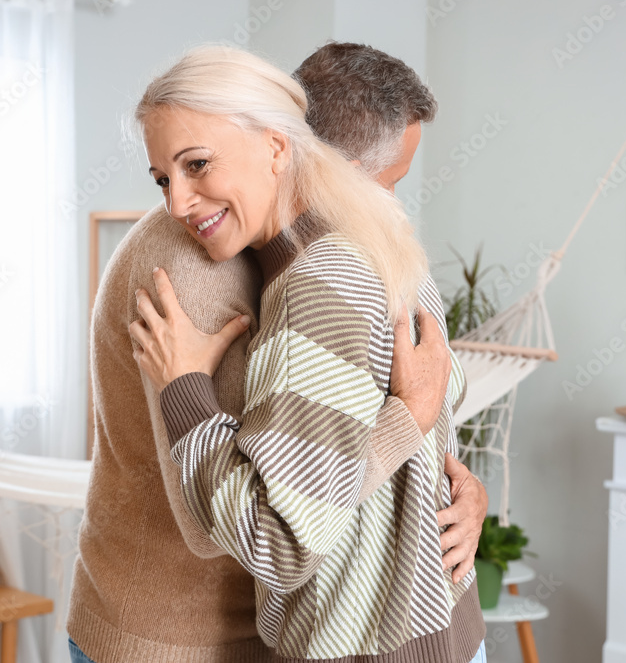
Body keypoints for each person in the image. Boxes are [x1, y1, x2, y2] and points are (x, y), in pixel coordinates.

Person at [67, 43, 486, 663]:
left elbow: (418, 397)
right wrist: (408, 420)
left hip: (331, 632)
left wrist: (453, 482)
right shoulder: (191, 268)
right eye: (165, 176)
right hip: (170, 633)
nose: (176, 201)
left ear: (279, 145)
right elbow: (231, 530)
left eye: (198, 165)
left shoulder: (346, 256)